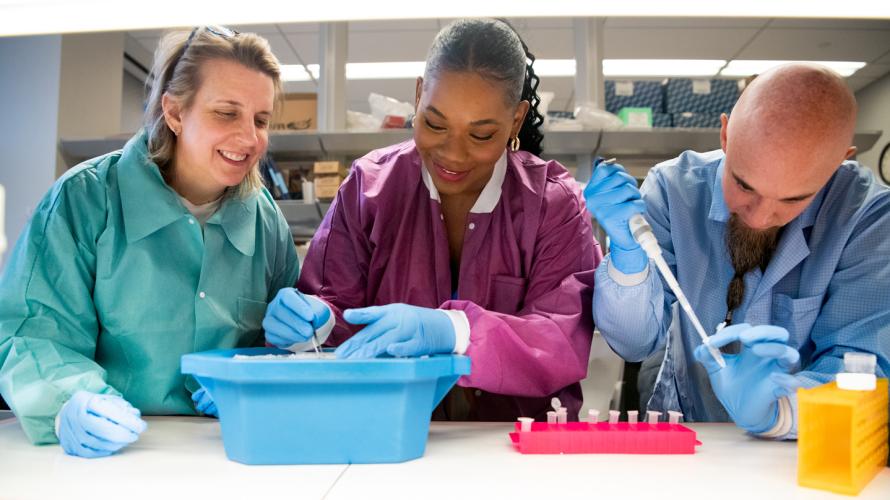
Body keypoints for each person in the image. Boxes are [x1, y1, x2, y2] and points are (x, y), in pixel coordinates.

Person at [262, 18, 602, 421]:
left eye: (480, 135)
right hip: (391, 431)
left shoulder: (553, 203)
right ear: (419, 94)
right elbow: (336, 311)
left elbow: (559, 339)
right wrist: (315, 324)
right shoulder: (369, 189)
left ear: (515, 119)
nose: (453, 154)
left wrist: (455, 330)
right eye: (435, 124)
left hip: (514, 441)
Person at [0, 26, 316, 458]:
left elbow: (275, 349)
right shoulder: (85, 199)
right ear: (175, 112)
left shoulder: (265, 220)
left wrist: (279, 360)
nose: (249, 138)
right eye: (227, 113)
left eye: (260, 120)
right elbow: (34, 334)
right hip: (113, 453)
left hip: (224, 451)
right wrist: (67, 402)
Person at [587, 63, 889, 438]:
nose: (760, 218)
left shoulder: (868, 216)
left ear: (840, 160)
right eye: (744, 185)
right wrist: (627, 257)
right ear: (726, 134)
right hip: (692, 432)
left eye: (793, 199)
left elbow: (864, 366)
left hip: (811, 443)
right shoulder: (672, 190)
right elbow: (634, 344)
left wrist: (781, 412)